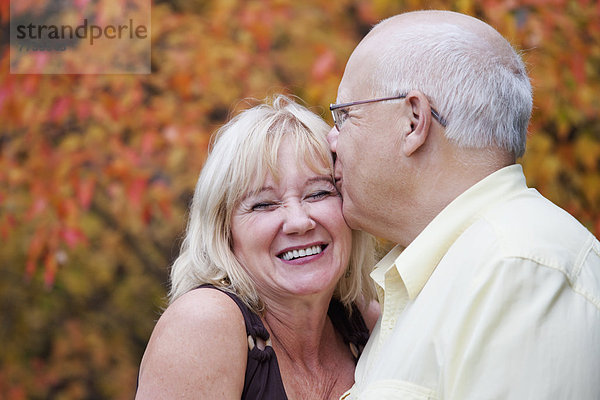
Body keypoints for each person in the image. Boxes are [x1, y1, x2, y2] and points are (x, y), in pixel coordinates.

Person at [327, 10, 600, 399]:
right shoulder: (455, 272)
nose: (331, 141)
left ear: (413, 122)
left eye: (345, 116)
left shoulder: (518, 270)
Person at [136, 95, 379, 399]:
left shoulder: (371, 325)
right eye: (264, 204)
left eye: (318, 193)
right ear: (224, 231)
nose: (298, 221)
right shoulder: (204, 323)